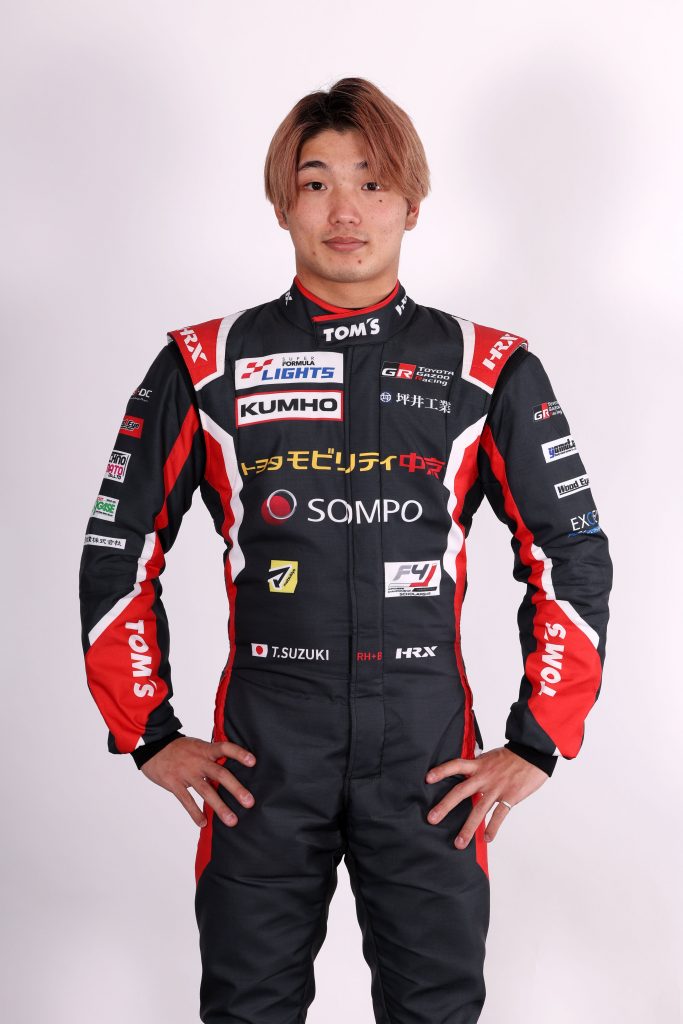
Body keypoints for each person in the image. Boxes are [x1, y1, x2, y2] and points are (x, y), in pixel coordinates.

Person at [79, 76, 613, 1024]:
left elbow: (569, 551)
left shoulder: (487, 367)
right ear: (281, 202)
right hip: (262, 755)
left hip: (426, 758)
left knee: (436, 1010)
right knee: (246, 1009)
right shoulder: (204, 363)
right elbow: (119, 548)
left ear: (412, 201)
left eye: (371, 182)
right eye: (316, 182)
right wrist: (148, 732)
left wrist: (538, 740)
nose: (345, 211)